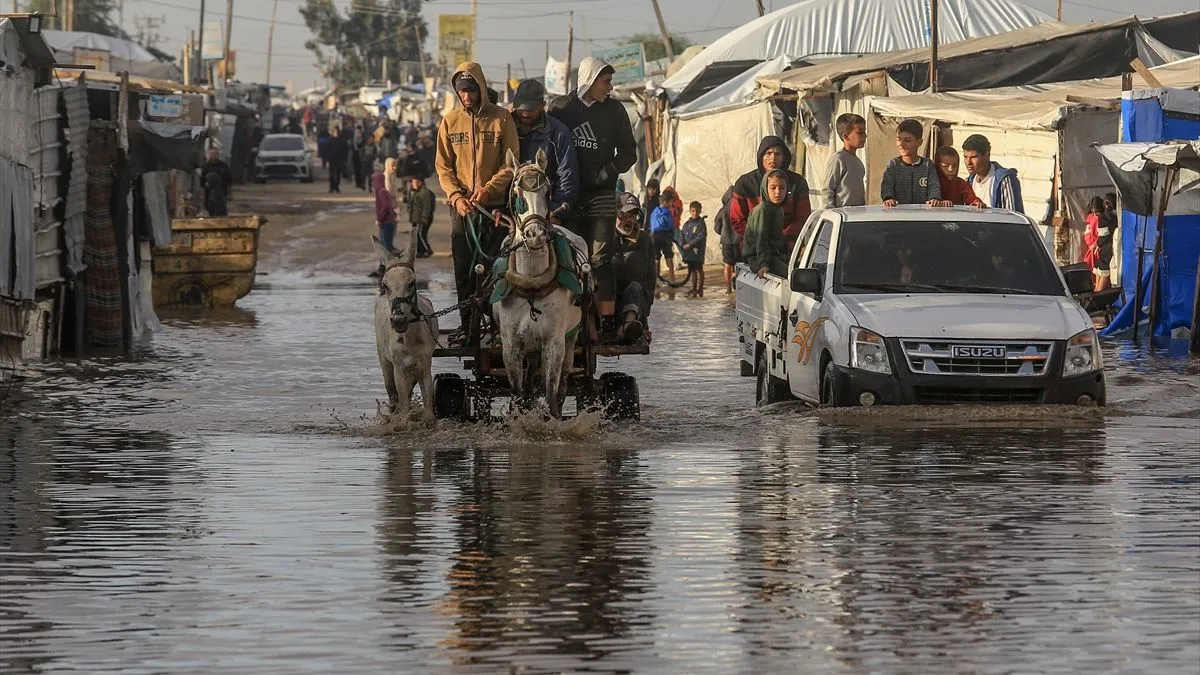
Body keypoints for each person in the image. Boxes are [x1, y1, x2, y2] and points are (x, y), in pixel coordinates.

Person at [549, 56, 637, 337]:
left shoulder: (615, 111)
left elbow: (629, 153)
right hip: (568, 195)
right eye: (606, 81)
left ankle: (607, 324)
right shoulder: (561, 108)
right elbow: (549, 144)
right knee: (569, 256)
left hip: (601, 194)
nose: (610, 88)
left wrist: (608, 171)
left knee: (599, 258)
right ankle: (572, 321)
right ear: (589, 79)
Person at [434, 62, 520, 333]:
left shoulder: (501, 118)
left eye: (471, 90)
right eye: (462, 91)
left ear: (481, 88)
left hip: (494, 207)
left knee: (497, 267)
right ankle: (468, 326)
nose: (467, 96)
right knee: (464, 269)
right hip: (462, 209)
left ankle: (497, 325)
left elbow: (511, 163)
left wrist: (489, 191)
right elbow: (443, 166)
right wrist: (457, 197)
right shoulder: (449, 121)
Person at [729, 136, 812, 255]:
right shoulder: (745, 184)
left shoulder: (797, 183)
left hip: (788, 250)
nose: (773, 158)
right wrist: (760, 238)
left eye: (778, 154)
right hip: (753, 251)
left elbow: (803, 218)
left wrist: (780, 238)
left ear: (784, 157)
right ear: (761, 156)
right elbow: (737, 220)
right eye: (768, 153)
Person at [511, 79, 580, 220]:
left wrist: (555, 213)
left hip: (547, 212)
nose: (525, 114)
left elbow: (567, 175)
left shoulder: (558, 133)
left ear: (543, 106)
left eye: (531, 110)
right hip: (510, 211)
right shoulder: (504, 127)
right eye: (521, 109)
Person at [610, 192, 656, 345]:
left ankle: (630, 325)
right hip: (608, 302)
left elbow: (651, 279)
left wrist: (643, 314)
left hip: (635, 304)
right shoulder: (605, 238)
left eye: (633, 215)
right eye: (624, 215)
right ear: (615, 215)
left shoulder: (644, 240)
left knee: (636, 287)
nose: (628, 220)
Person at [881, 119, 941, 207]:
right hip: (898, 215)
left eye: (907, 140)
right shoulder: (894, 165)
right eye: (899, 139)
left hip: (923, 214)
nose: (901, 144)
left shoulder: (927, 165)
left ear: (919, 142)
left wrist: (934, 198)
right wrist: (888, 198)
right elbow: (887, 186)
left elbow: (934, 186)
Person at [742, 169, 790, 278]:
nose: (778, 192)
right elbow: (761, 238)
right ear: (765, 188)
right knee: (791, 277)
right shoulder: (763, 209)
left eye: (782, 188)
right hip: (758, 257)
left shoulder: (779, 210)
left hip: (773, 255)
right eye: (773, 188)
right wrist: (763, 264)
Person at [962, 134, 1024, 211]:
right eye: (965, 157)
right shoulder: (968, 182)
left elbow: (1012, 217)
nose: (968, 162)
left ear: (987, 155)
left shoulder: (1004, 180)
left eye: (973, 157)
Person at [823, 113, 867, 208]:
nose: (865, 136)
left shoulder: (857, 161)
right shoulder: (838, 159)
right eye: (860, 132)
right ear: (846, 136)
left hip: (857, 215)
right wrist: (832, 214)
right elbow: (827, 190)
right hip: (843, 215)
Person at [1083, 195, 1116, 292]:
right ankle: (1097, 292)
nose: (1095, 214)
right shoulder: (1115, 218)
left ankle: (1097, 293)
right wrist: (1093, 244)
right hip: (1104, 247)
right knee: (1100, 271)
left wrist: (1096, 244)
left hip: (1102, 248)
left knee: (1101, 272)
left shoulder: (1103, 218)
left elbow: (1103, 236)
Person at [370, 168, 397, 277]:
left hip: (386, 223)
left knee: (386, 248)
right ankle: (383, 268)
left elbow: (386, 207)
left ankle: (390, 268)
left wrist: (380, 219)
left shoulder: (381, 192)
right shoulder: (383, 191)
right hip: (388, 222)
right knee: (385, 247)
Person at [680, 201, 708, 298]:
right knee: (692, 270)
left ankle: (700, 288)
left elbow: (700, 236)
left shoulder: (701, 224)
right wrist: (682, 244)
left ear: (700, 211)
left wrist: (690, 244)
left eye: (697, 211)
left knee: (699, 269)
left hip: (697, 251)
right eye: (693, 211)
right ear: (690, 211)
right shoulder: (687, 224)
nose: (695, 213)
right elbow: (682, 234)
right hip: (689, 252)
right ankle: (694, 287)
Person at [650, 193, 678, 287]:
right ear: (666, 202)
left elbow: (651, 223)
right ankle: (672, 279)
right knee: (669, 257)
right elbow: (670, 224)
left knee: (656, 258)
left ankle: (656, 279)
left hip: (654, 236)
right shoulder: (667, 212)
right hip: (665, 235)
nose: (671, 204)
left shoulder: (654, 211)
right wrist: (672, 234)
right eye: (671, 202)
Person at [714, 186, 737, 294]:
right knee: (739, 265)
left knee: (727, 264)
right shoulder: (739, 207)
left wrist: (722, 233)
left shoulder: (722, 210)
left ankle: (728, 288)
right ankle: (738, 286)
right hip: (738, 240)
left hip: (726, 241)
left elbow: (717, 227)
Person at [408, 176, 436, 259]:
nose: (412, 184)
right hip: (416, 218)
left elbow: (427, 207)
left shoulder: (424, 192)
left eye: (414, 182)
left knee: (421, 235)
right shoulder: (415, 191)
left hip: (422, 219)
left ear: (420, 182)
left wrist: (424, 218)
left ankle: (427, 250)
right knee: (417, 235)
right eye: (412, 182)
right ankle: (420, 251)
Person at [201, 147, 232, 216]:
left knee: (220, 210)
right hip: (208, 193)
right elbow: (202, 182)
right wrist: (202, 196)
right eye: (212, 154)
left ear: (218, 155)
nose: (214, 155)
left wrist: (230, 194)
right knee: (210, 210)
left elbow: (229, 180)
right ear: (209, 154)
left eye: (216, 154)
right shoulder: (206, 166)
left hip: (222, 191)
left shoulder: (224, 166)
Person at [326, 126, 349, 194]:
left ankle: (336, 187)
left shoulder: (342, 140)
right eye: (335, 132)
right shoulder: (330, 139)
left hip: (340, 160)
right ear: (333, 132)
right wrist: (327, 157)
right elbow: (326, 149)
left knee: (338, 174)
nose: (336, 133)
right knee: (331, 174)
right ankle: (331, 187)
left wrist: (345, 158)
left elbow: (346, 150)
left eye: (337, 132)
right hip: (332, 159)